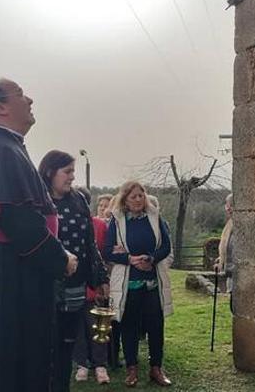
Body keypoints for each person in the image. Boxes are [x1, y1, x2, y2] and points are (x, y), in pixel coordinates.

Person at [0, 78, 77, 391]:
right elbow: (19, 221)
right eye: (21, 94)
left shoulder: (4, 146)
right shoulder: (0, 148)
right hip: (8, 272)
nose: (30, 100)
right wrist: (60, 259)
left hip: (9, 267)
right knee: (9, 361)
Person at [37, 152, 109, 390]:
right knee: (45, 343)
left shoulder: (78, 199)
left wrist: (100, 278)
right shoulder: (37, 200)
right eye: (67, 171)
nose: (72, 177)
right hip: (44, 286)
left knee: (67, 342)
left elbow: (90, 243)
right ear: (50, 172)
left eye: (73, 171)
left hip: (75, 284)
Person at [103, 181, 173, 388]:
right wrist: (130, 259)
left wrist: (151, 259)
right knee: (129, 325)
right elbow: (107, 250)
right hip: (128, 282)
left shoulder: (155, 217)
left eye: (141, 195)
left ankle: (156, 368)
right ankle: (131, 368)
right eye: (133, 196)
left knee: (156, 325)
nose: (138, 200)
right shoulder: (117, 221)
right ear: (125, 199)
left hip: (152, 281)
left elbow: (166, 246)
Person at [72, 188, 111, 384]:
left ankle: (100, 365)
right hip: (75, 284)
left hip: (94, 283)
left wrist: (103, 280)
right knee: (78, 327)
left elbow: (102, 253)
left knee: (98, 327)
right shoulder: (68, 222)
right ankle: (81, 364)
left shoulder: (99, 225)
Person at [216, 194, 234, 304]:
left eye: (227, 205)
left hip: (235, 274)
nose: (226, 208)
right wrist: (221, 259)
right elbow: (226, 245)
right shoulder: (230, 222)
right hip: (231, 273)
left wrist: (227, 265)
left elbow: (233, 247)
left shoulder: (237, 223)